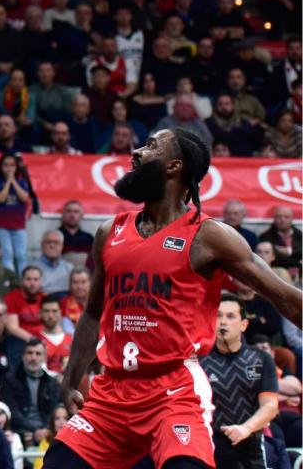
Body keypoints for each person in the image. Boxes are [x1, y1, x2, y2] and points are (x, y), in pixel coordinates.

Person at [46, 129, 302, 469]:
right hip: (112, 392)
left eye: (150, 146)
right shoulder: (110, 232)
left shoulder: (208, 236)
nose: (136, 152)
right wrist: (70, 379)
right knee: (59, 462)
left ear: (174, 166)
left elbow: (283, 295)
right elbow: (93, 313)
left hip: (174, 392)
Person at [201, 294, 280, 469]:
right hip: (210, 444)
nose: (223, 322)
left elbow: (270, 406)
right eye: (218, 316)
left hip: (251, 443)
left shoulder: (261, 359)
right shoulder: (199, 361)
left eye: (230, 316)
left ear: (244, 325)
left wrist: (245, 428)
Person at [0, 154, 33, 274]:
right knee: (6, 255)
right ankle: (10, 282)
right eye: (6, 165)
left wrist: (14, 181)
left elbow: (24, 197)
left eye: (12, 165)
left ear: (16, 168)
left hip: (19, 226)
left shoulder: (22, 182)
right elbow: (1, 198)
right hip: (2, 226)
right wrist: (8, 182)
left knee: (21, 255)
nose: (9, 168)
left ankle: (23, 281)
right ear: (1, 167)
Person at [4, 266, 45, 340]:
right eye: (28, 279)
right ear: (22, 281)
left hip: (44, 338)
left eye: (36, 279)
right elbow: (12, 328)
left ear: (41, 282)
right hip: (19, 339)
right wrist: (34, 341)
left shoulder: (45, 298)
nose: (32, 283)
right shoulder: (11, 298)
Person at [57, 200, 94, 269]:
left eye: (76, 212)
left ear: (82, 215)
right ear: (63, 214)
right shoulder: (55, 236)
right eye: (69, 211)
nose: (72, 215)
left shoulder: (89, 238)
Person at [38, 297, 71, 375]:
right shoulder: (36, 340)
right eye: (46, 311)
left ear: (60, 312)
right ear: (40, 313)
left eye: (54, 311)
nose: (50, 315)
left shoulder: (72, 339)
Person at [36, 230, 72, 298]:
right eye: (48, 242)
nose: (52, 245)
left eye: (56, 243)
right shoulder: (32, 268)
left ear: (62, 246)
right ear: (42, 246)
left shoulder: (69, 268)